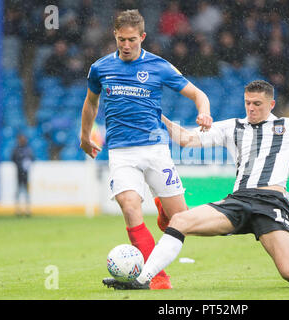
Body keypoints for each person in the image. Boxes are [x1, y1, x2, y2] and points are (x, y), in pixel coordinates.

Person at [102, 80, 289, 290]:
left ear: (271, 104)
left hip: (271, 205)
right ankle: (143, 280)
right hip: (237, 202)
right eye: (248, 103)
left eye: (257, 104)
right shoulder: (233, 127)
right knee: (179, 220)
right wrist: (160, 117)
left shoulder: (287, 126)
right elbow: (186, 139)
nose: (252, 108)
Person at [80, 9, 212, 290]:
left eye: (131, 40)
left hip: (155, 150)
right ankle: (155, 276)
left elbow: (198, 94)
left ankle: (163, 207)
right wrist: (84, 135)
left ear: (142, 37)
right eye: (121, 40)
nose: (126, 46)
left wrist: (204, 112)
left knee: (181, 220)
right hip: (121, 152)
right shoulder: (100, 68)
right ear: (114, 35)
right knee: (129, 207)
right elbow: (91, 103)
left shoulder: (159, 66)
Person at [11, 134, 34, 217]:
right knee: (18, 192)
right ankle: (18, 210)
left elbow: (32, 158)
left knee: (26, 192)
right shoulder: (17, 149)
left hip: (25, 174)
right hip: (19, 173)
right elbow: (13, 158)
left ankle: (27, 210)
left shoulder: (28, 149)